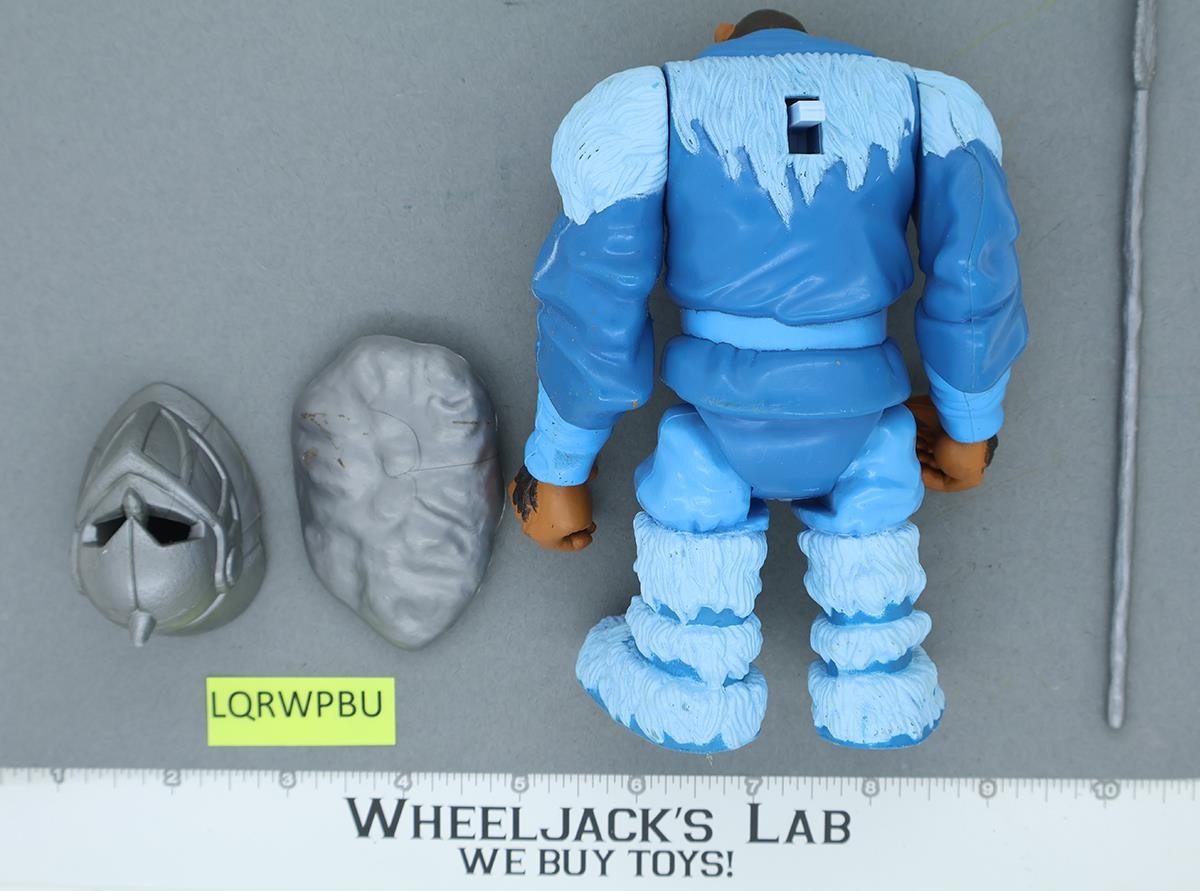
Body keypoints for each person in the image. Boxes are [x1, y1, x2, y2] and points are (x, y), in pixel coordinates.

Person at [510, 10, 1027, 752]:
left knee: (695, 555)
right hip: (864, 418)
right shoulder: (922, 102)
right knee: (873, 557)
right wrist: (970, 427)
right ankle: (880, 693)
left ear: (725, 37)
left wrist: (559, 466)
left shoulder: (656, 104)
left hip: (715, 421)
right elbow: (975, 277)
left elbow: (594, 299)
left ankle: (688, 693)